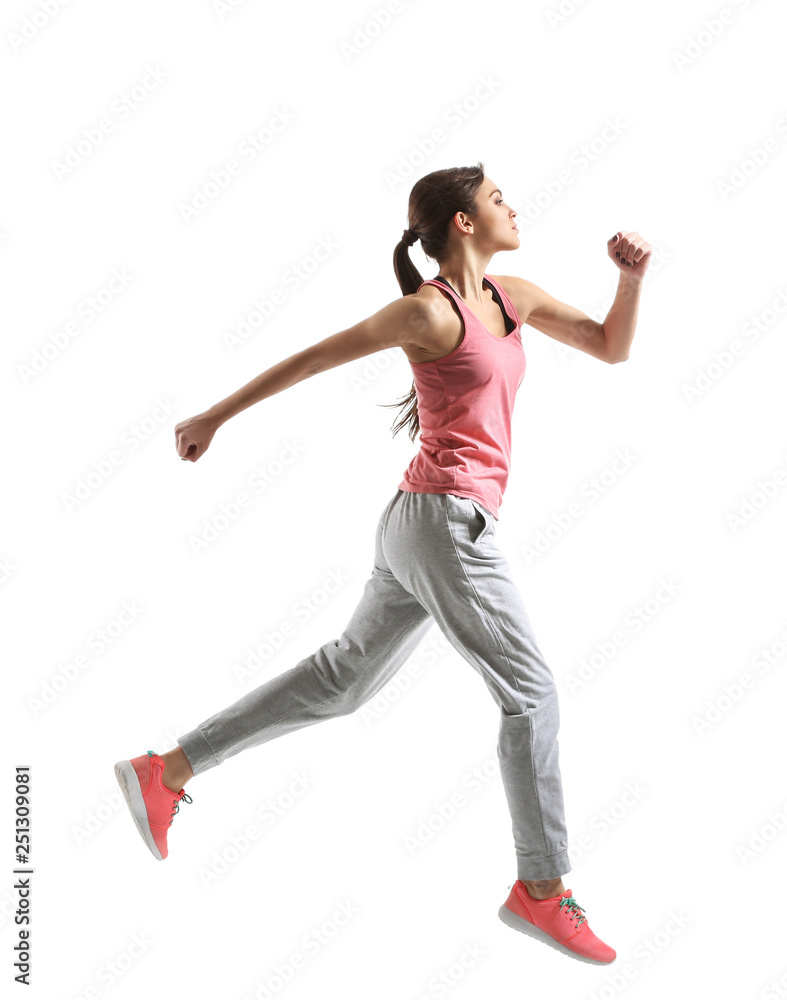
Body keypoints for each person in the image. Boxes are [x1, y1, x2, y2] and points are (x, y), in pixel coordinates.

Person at [114, 161, 651, 964]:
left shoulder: (515, 298)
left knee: (342, 679)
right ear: (463, 223)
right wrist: (214, 417)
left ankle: (167, 768)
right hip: (445, 527)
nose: (512, 205)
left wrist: (628, 278)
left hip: (421, 522)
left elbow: (610, 347)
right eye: (497, 198)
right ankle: (540, 891)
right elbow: (314, 358)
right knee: (531, 694)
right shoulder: (425, 315)